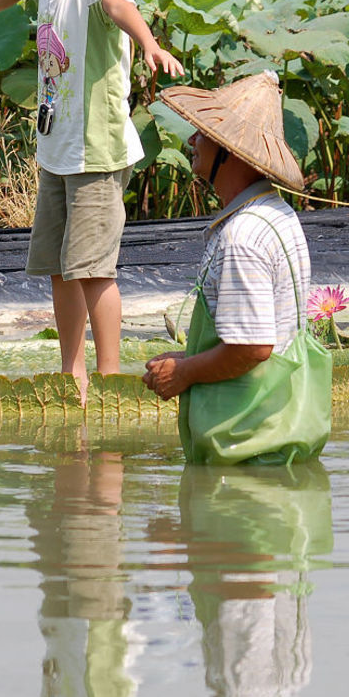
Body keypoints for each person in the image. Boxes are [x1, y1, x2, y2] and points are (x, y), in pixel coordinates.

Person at [0, 0, 183, 401]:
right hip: (57, 148)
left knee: (94, 271)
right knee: (61, 269)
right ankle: (71, 374)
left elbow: (118, 6)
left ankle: (108, 380)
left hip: (95, 149)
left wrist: (149, 43)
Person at [142, 72, 332, 465]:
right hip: (279, 435)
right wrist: (187, 358)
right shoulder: (279, 215)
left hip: (246, 448)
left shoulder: (241, 237)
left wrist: (184, 373)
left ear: (229, 152)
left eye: (204, 134)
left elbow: (252, 348)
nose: (192, 141)